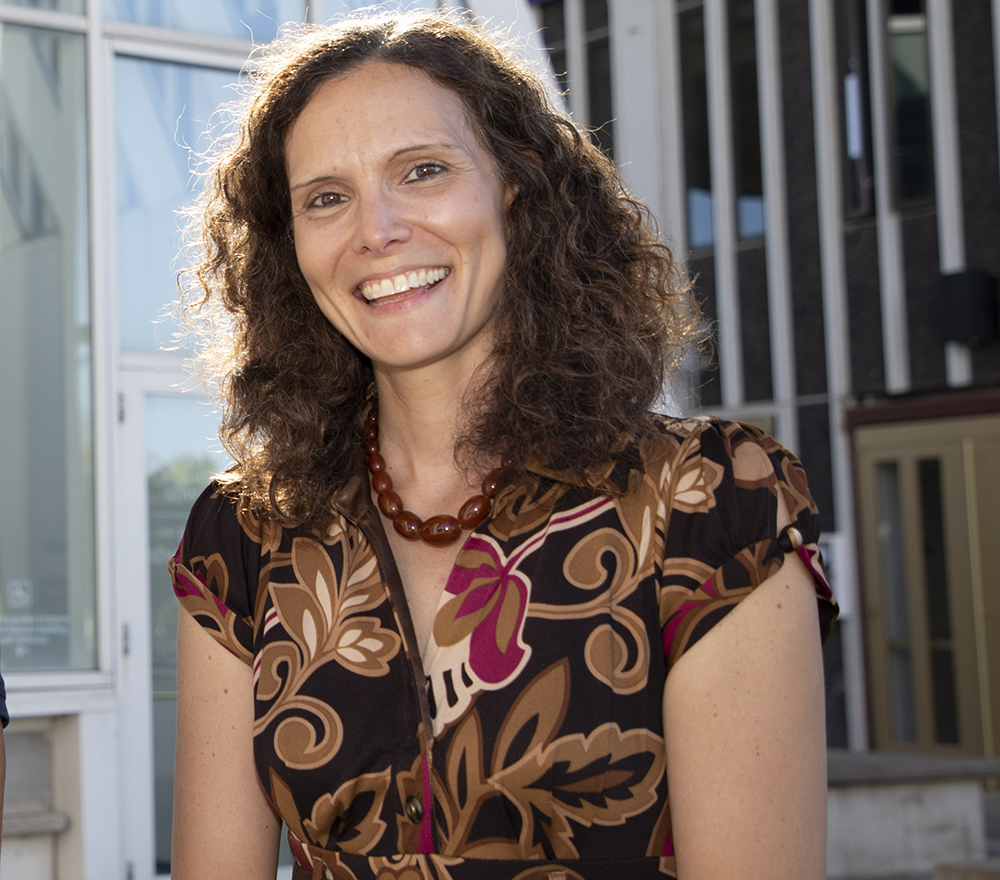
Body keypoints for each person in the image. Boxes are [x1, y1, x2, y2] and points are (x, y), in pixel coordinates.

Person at [170, 11, 838, 880]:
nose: (376, 229)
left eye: (423, 171)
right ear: (288, 242)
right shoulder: (245, 535)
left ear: (515, 184)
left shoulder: (710, 506)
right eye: (326, 198)